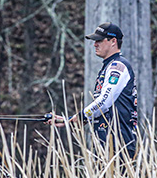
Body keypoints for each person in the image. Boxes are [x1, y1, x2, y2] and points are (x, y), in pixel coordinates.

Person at [47, 22, 138, 157]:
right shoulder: (108, 66)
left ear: (113, 41)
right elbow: (102, 110)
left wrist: (80, 116)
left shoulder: (118, 66)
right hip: (106, 142)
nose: (95, 44)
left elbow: (104, 101)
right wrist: (69, 120)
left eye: (99, 40)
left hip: (119, 144)